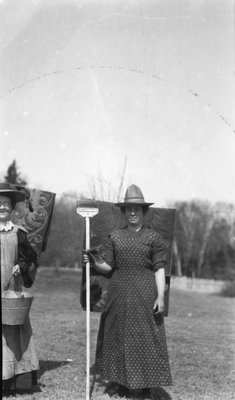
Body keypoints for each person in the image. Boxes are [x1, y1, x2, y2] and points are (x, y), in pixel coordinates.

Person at [83, 184, 172, 399]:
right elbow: (108, 267)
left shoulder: (154, 238)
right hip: (119, 294)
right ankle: (121, 382)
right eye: (129, 209)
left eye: (137, 209)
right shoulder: (114, 236)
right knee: (118, 336)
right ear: (124, 212)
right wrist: (93, 262)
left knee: (145, 338)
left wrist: (160, 297)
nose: (133, 213)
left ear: (143, 212)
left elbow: (159, 269)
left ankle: (146, 385)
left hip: (145, 294)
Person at [0, 183, 39, 394]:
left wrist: (20, 266)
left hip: (10, 291)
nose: (3, 208)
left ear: (12, 208)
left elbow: (30, 258)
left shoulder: (19, 232)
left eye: (6, 204)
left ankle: (11, 381)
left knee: (12, 332)